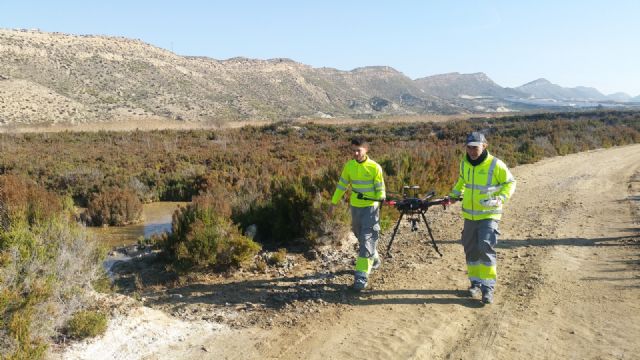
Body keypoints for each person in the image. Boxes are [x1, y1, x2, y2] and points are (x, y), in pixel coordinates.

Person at [448, 132, 516, 304]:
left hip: (489, 214)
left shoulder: (495, 164)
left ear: (484, 146)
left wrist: (500, 198)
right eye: (469, 147)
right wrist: (453, 195)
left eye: (475, 147)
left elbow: (510, 183)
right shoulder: (465, 162)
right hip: (469, 215)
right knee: (471, 249)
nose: (472, 151)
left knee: (485, 247)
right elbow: (462, 182)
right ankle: (475, 283)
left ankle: (488, 288)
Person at [331, 137, 386, 291]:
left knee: (368, 239)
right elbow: (342, 185)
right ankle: (374, 258)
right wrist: (334, 202)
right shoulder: (349, 166)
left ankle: (361, 277)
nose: (355, 153)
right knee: (359, 235)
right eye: (353, 150)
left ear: (366, 150)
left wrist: (381, 197)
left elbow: (380, 186)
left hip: (370, 208)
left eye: (358, 150)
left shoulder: (375, 167)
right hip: (355, 207)